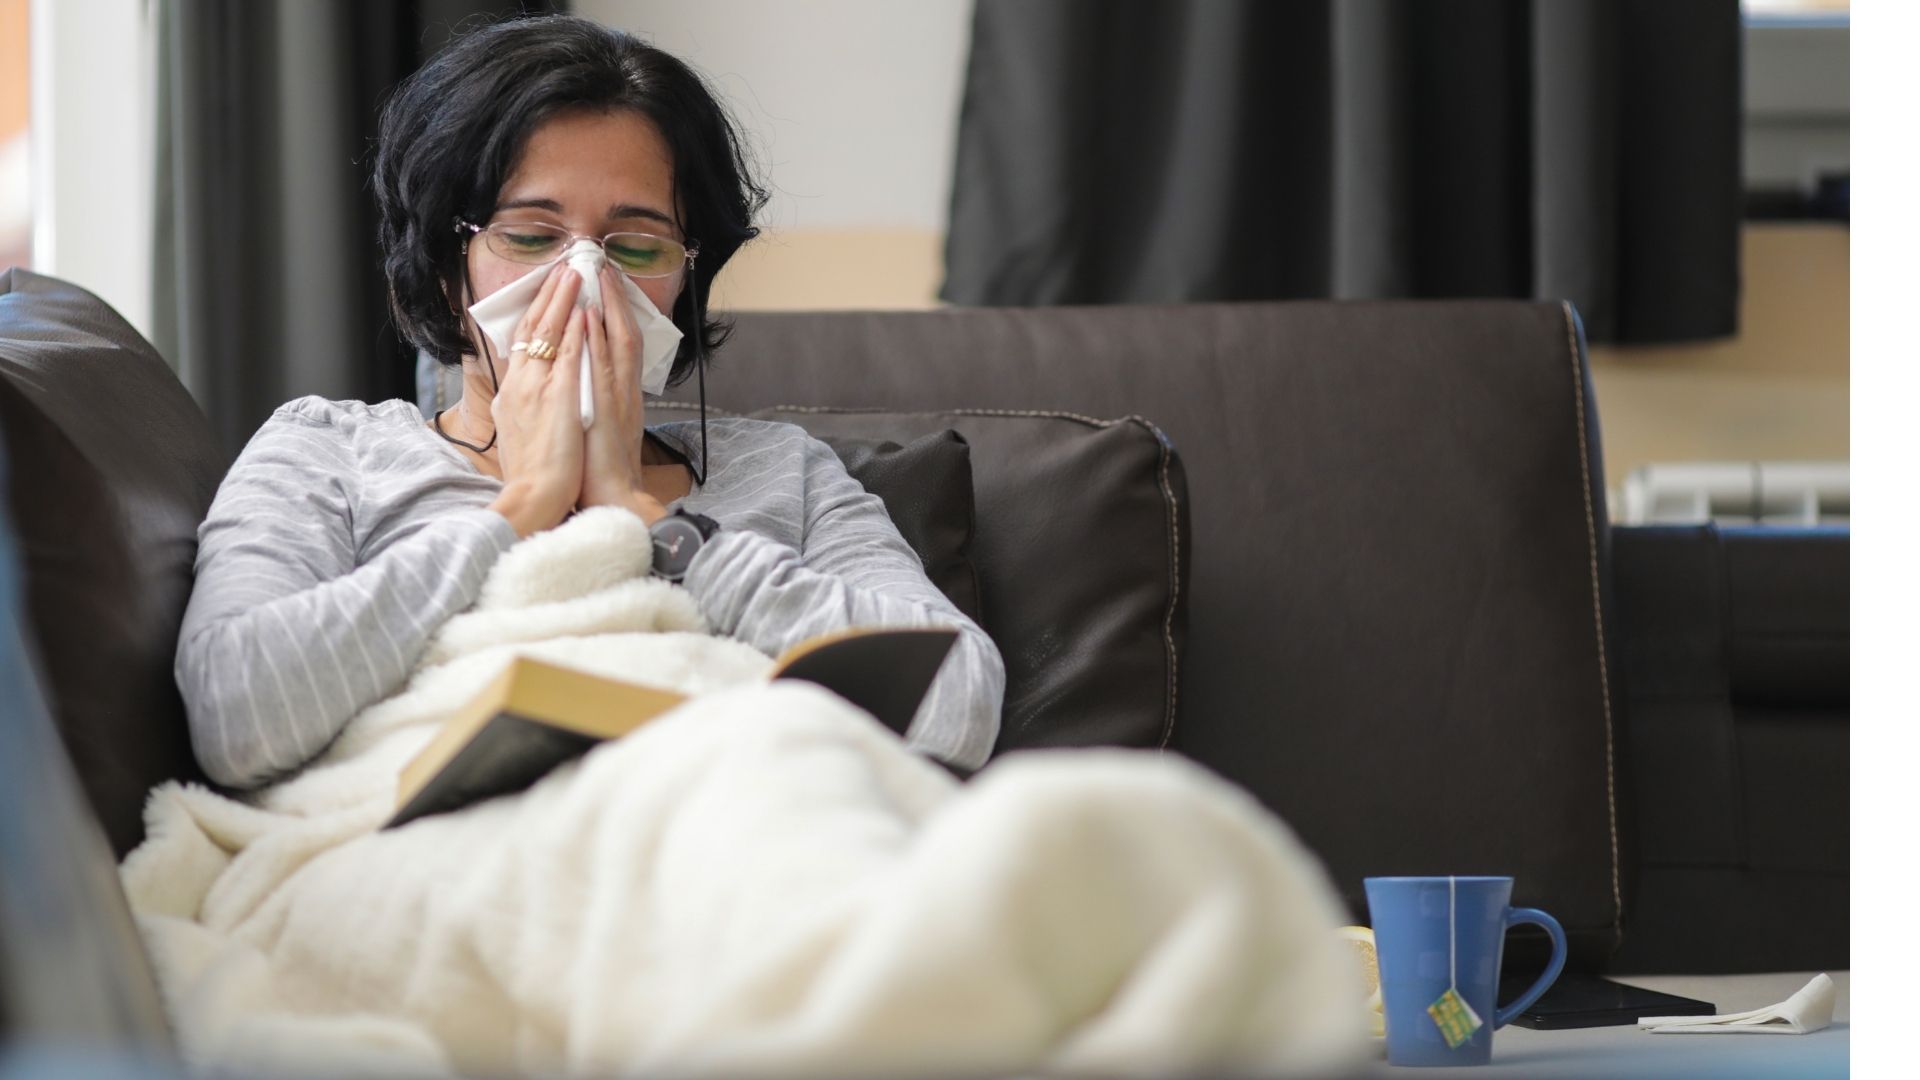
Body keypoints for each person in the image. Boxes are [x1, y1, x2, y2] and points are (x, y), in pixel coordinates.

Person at [174, 14, 1004, 789]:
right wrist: (522, 509)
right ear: (439, 260)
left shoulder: (782, 472)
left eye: (636, 244)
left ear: (684, 279)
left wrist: (644, 519)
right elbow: (237, 718)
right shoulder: (328, 452)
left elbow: (957, 705)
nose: (584, 282)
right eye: (530, 236)